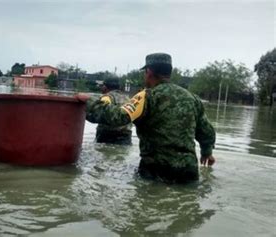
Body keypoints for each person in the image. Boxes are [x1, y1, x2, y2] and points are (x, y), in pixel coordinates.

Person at [83, 53, 216, 183]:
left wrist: (88, 102)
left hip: (155, 171)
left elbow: (117, 118)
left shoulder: (146, 96)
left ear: (149, 72)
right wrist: (207, 152)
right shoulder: (192, 98)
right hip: (188, 172)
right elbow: (207, 131)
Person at [95, 79, 132, 145]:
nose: (101, 88)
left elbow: (100, 111)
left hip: (107, 136)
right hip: (125, 136)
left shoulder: (107, 97)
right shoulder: (128, 99)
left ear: (105, 87)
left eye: (102, 86)